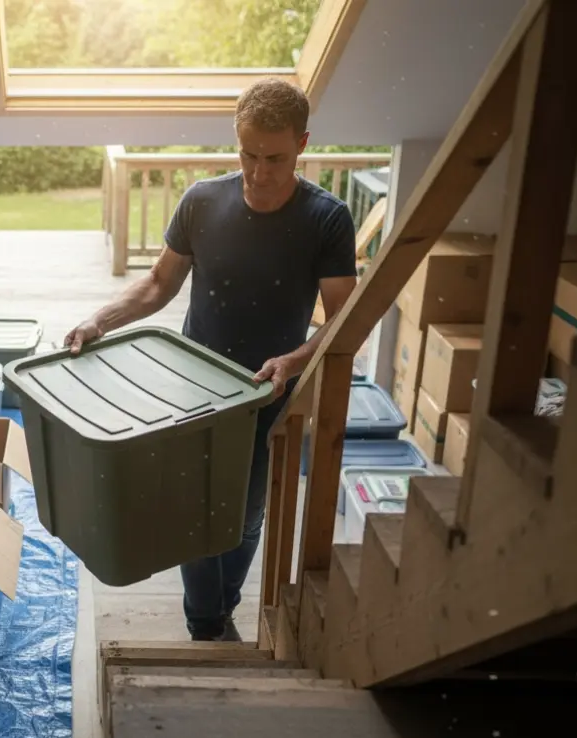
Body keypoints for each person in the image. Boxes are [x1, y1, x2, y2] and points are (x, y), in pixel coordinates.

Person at [63, 78, 358, 642]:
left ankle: (220, 608)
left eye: (274, 157)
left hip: (265, 393)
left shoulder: (327, 219)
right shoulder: (201, 201)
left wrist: (294, 361)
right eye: (248, 154)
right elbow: (157, 285)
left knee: (244, 518)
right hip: (190, 387)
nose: (259, 171)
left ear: (302, 144)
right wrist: (100, 320)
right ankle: (206, 626)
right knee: (190, 511)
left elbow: (346, 320)